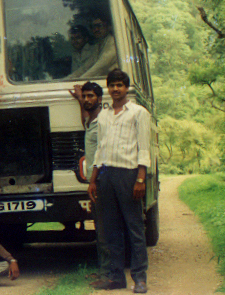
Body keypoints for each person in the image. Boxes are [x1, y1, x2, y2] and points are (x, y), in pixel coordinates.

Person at [88, 70, 150, 293]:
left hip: (128, 174)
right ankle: (116, 278)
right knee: (111, 229)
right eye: (112, 85)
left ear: (126, 88)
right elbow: (100, 149)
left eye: (119, 85)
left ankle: (139, 278)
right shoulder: (103, 116)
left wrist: (140, 178)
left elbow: (143, 147)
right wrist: (93, 180)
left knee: (134, 227)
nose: (116, 89)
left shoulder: (138, 113)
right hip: (106, 175)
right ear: (108, 88)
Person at [69, 81, 110, 288]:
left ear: (100, 99)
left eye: (90, 96)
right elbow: (85, 119)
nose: (87, 99)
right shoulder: (92, 120)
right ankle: (105, 271)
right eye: (84, 96)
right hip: (96, 182)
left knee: (105, 229)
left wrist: (92, 181)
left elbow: (101, 156)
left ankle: (109, 274)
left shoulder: (103, 121)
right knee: (100, 228)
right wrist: (78, 100)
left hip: (102, 181)